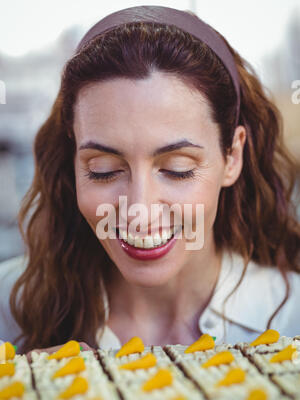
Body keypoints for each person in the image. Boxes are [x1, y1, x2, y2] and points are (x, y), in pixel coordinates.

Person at [0, 6, 299, 356]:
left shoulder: (292, 316)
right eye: (103, 169)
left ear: (232, 157)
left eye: (177, 168)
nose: (139, 212)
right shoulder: (8, 307)